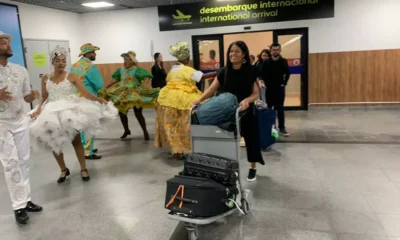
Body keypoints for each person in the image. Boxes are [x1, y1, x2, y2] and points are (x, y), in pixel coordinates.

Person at [29, 46, 117, 184]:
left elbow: (86, 93)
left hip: (69, 110)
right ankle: (63, 169)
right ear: (53, 62)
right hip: (51, 112)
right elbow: (45, 97)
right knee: (54, 142)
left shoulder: (71, 76)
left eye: (63, 60)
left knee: (76, 141)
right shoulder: (45, 77)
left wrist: (98, 99)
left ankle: (83, 168)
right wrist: (38, 109)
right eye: (58, 60)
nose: (61, 63)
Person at [192, 41, 264, 182]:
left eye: (237, 51)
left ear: (243, 54)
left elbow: (256, 93)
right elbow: (212, 89)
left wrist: (247, 101)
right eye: (231, 51)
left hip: (245, 111)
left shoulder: (250, 71)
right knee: (226, 140)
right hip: (226, 112)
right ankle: (226, 168)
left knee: (252, 140)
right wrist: (198, 100)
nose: (233, 54)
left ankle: (253, 167)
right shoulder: (224, 71)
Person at [0, 31, 43, 224]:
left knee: (24, 160)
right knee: (10, 164)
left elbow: (26, 95)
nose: (8, 46)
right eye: (3, 43)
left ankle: (25, 200)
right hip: (1, 122)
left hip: (20, 120)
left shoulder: (20, 70)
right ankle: (18, 206)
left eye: (8, 42)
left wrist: (32, 96)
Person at [155, 41, 216, 159]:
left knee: (172, 125)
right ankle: (186, 147)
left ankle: (176, 150)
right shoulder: (187, 69)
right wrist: (217, 72)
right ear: (187, 58)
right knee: (184, 123)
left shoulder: (173, 69)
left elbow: (168, 80)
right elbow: (201, 77)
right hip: (184, 99)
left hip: (168, 99)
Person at [100, 51, 159, 140]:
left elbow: (147, 76)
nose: (126, 61)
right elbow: (114, 80)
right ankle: (126, 130)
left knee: (138, 113)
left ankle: (145, 131)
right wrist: (107, 86)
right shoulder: (121, 70)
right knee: (122, 112)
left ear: (133, 60)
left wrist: (145, 86)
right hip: (122, 93)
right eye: (125, 59)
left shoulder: (137, 70)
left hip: (135, 93)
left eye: (128, 59)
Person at [71, 43, 104, 160]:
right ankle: (87, 152)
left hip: (76, 100)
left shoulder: (73, 66)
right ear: (88, 54)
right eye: (93, 52)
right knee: (90, 126)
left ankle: (87, 147)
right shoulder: (91, 67)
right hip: (89, 100)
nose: (95, 54)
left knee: (81, 127)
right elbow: (100, 84)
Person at [259, 43, 290, 137]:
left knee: (280, 108)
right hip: (269, 89)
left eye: (277, 50)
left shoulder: (283, 61)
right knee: (269, 109)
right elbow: (261, 74)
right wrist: (262, 82)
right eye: (273, 50)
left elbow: (287, 73)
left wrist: (284, 83)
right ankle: (272, 128)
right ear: (271, 50)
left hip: (279, 89)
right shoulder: (266, 62)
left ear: (280, 50)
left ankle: (282, 128)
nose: (275, 51)